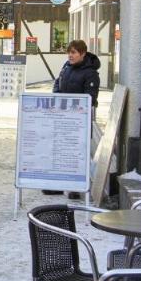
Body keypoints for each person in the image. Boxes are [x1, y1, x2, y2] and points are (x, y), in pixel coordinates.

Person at [45, 40, 101, 198]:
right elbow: (58, 83)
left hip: (78, 122)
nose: (70, 55)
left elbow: (90, 98)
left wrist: (71, 106)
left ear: (83, 54)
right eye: (69, 52)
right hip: (62, 117)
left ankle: (76, 187)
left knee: (76, 153)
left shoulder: (91, 73)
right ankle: (58, 185)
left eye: (74, 52)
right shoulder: (66, 67)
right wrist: (56, 97)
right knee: (59, 151)